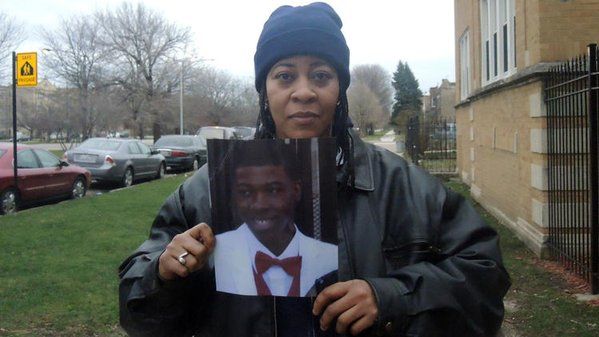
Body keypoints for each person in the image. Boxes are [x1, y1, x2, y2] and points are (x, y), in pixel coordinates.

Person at [118, 2, 510, 337]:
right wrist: (163, 274)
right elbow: (137, 312)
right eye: (285, 75)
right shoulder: (206, 192)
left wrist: (391, 297)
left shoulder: (403, 187)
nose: (303, 91)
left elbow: (485, 277)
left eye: (321, 75)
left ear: (339, 89)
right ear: (264, 90)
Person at [214, 141, 338, 297]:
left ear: (296, 191)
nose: (260, 205)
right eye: (245, 192)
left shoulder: (331, 258)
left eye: (273, 190)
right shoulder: (215, 254)